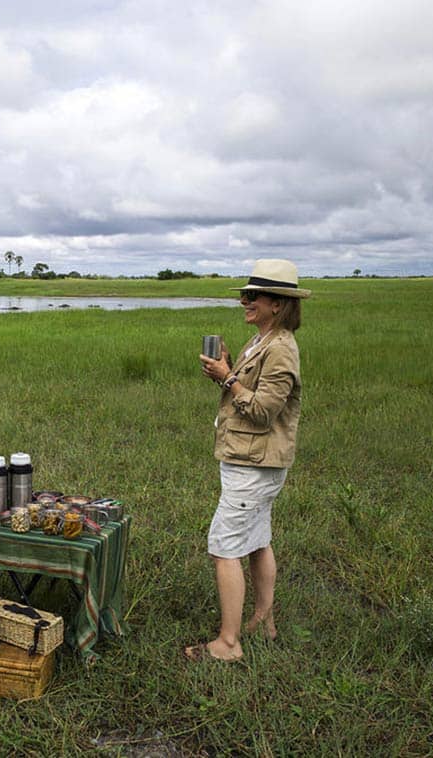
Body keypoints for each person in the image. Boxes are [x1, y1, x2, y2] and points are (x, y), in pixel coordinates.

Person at [186, 258, 310, 662]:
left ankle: (228, 643)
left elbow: (262, 410)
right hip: (250, 459)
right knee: (257, 541)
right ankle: (264, 621)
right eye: (244, 294)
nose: (244, 301)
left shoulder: (281, 350)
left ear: (278, 303)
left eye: (253, 295)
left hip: (254, 465)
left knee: (224, 547)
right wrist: (227, 371)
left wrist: (227, 377)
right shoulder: (262, 340)